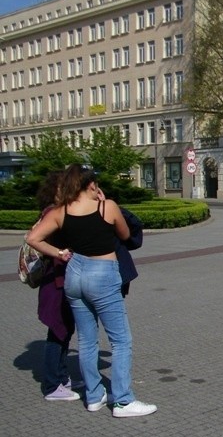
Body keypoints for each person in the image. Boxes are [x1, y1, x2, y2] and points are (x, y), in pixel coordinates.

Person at [26, 164, 157, 417]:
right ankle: (122, 400)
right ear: (91, 185)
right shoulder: (105, 207)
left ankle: (94, 396)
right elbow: (125, 233)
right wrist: (106, 203)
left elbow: (33, 238)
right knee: (120, 340)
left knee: (87, 339)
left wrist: (60, 253)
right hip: (103, 271)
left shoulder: (61, 211)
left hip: (75, 272)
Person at [34, 171, 80, 401]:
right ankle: (53, 385)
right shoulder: (53, 212)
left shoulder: (55, 211)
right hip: (56, 282)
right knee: (57, 331)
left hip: (60, 280)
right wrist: (60, 253)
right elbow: (33, 238)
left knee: (64, 330)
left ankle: (62, 376)